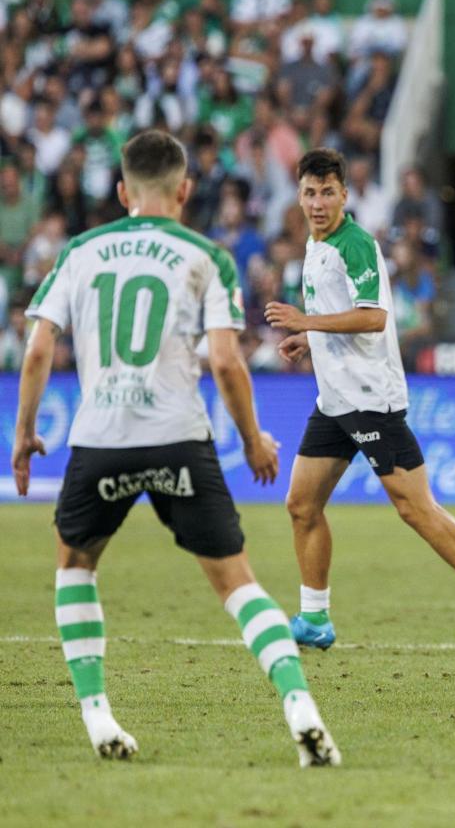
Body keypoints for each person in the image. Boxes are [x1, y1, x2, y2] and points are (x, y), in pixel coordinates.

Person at [10, 130, 340, 766]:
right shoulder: (205, 256)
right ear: (185, 190)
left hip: (99, 440)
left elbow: (38, 351)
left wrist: (24, 435)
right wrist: (253, 439)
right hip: (179, 440)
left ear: (121, 190)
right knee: (237, 583)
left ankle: (99, 717)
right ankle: (300, 705)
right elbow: (225, 360)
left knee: (76, 566)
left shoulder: (80, 250)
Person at [264, 148, 455, 656]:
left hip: (369, 400)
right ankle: (315, 617)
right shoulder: (315, 246)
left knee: (414, 507)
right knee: (301, 504)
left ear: (345, 194)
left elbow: (373, 318)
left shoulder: (354, 243)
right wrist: (310, 340)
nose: (318, 203)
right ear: (299, 195)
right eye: (310, 193)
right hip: (335, 400)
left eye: (328, 193)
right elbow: (339, 315)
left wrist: (306, 322)